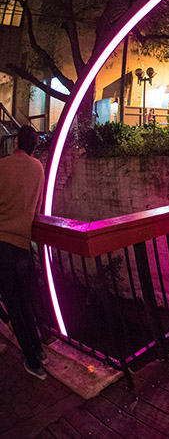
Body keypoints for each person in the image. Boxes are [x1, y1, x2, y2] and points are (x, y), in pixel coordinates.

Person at [0, 125, 48, 379]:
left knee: (14, 306)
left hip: (2, 244)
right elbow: (36, 208)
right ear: (35, 146)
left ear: (17, 141)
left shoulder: (2, 166)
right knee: (25, 302)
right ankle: (39, 351)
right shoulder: (38, 168)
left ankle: (33, 363)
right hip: (23, 247)